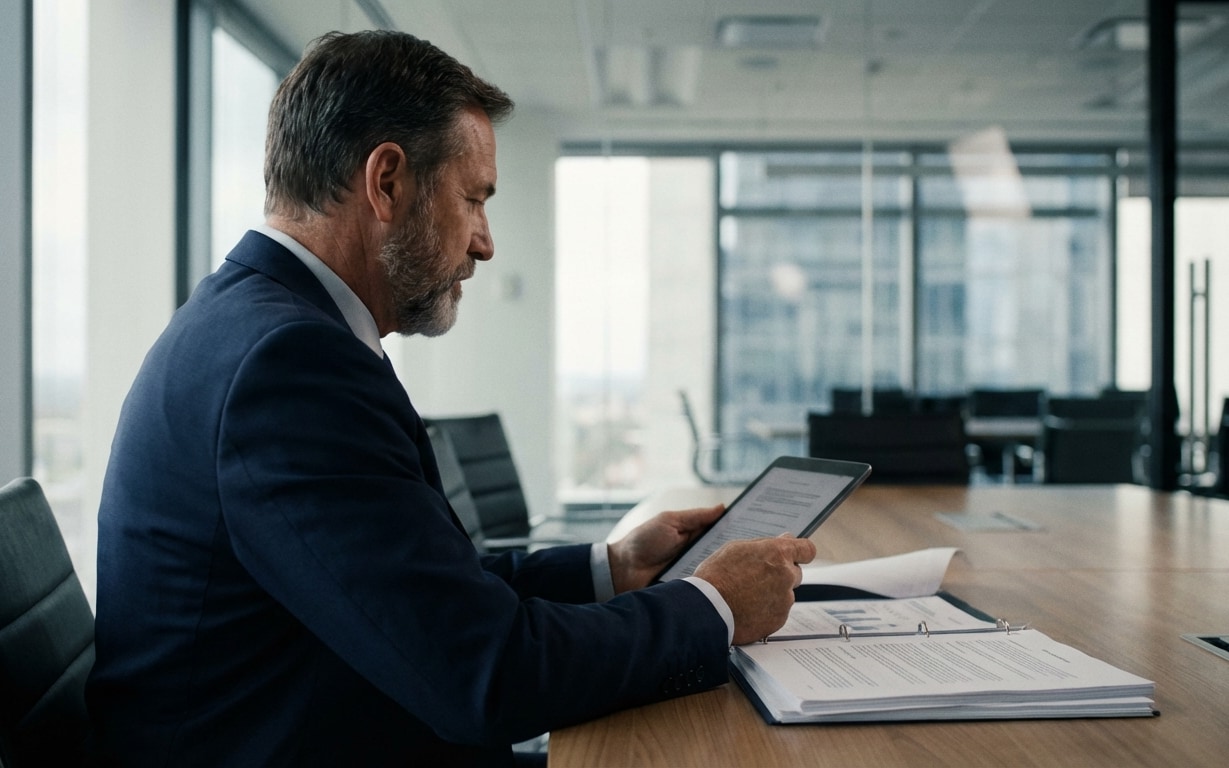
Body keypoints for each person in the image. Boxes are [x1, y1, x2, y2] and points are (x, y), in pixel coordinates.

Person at [86, 30, 815, 767]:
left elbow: (417, 595)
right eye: (473, 199)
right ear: (388, 182)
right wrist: (713, 606)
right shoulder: (289, 364)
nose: (485, 242)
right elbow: (486, 674)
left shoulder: (260, 327)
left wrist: (613, 565)